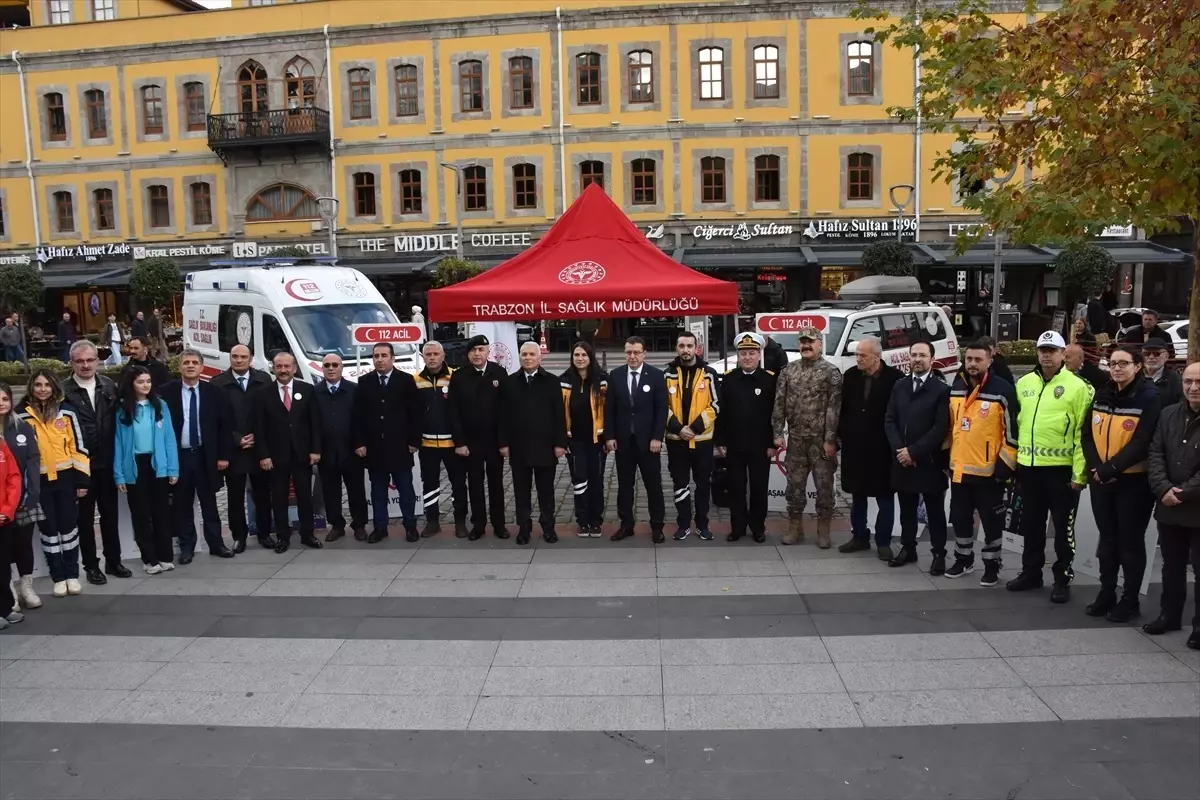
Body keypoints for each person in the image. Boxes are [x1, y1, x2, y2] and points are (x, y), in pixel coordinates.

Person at [1008, 330, 1094, 603]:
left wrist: (1079, 473)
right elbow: (1015, 425)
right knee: (1031, 526)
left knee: (1061, 530)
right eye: (1042, 350)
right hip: (1029, 468)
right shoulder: (1024, 383)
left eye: (1052, 350)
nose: (1046, 354)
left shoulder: (1078, 386)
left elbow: (1083, 433)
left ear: (1063, 355)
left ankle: (1062, 578)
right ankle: (1030, 573)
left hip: (1061, 471)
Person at [1081, 345, 1161, 622]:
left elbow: (1142, 442)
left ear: (1137, 366)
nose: (1116, 368)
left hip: (1133, 482)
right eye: (1113, 363)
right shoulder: (1103, 393)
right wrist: (1097, 468)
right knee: (1108, 539)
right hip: (1101, 479)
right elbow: (1087, 434)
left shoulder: (1149, 397)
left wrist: (1112, 468)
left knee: (1130, 541)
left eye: (1123, 363)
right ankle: (1107, 592)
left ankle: (1129, 600)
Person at [945, 341, 1019, 586]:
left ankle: (992, 564)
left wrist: (1004, 468)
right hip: (959, 471)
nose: (973, 364)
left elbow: (1012, 434)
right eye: (969, 359)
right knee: (960, 518)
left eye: (978, 359)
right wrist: (947, 459)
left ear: (989, 361)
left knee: (992, 522)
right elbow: (951, 428)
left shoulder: (1003, 390)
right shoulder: (957, 387)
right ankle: (963, 559)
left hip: (989, 474)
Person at [17, 370, 89, 598]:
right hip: (39, 483)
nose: (42, 389)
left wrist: (82, 479)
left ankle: (72, 575)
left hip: (67, 479)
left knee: (68, 527)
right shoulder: (21, 415)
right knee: (48, 530)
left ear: (54, 386)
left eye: (47, 385)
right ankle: (58, 577)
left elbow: (79, 447)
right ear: (31, 387)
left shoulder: (67, 412)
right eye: (37, 385)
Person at [61, 340, 127, 585]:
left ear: (97, 360)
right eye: (80, 361)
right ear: (72, 363)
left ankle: (114, 561)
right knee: (85, 520)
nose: (86, 365)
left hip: (108, 462)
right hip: (81, 466)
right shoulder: (62, 391)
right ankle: (91, 565)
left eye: (90, 360)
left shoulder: (109, 385)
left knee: (110, 515)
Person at [1144, 361, 1200, 649]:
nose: (1193, 387)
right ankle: (1170, 614)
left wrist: (1184, 492)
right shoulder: (1169, 414)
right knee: (1171, 565)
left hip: (1196, 505)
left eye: (1199, 382)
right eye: (1189, 381)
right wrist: (1164, 488)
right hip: (1168, 503)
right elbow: (1155, 453)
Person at [771, 325, 842, 547]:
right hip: (796, 441)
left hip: (821, 443)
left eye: (811, 341)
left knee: (823, 488)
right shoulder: (788, 371)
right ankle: (795, 528)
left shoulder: (831, 373)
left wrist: (830, 440)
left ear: (820, 344)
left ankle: (823, 532)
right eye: (803, 341)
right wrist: (777, 433)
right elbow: (779, 403)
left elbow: (834, 409)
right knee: (794, 487)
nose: (806, 345)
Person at [884, 341, 952, 572]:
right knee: (906, 509)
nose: (917, 359)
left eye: (923, 355)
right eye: (914, 355)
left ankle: (938, 553)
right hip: (903, 461)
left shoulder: (941, 389)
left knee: (935, 512)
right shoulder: (899, 386)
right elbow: (890, 420)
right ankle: (908, 548)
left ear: (932, 359)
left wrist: (914, 451)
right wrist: (901, 451)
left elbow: (941, 427)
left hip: (929, 462)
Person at [162, 349, 232, 562]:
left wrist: (223, 456)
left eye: (194, 362)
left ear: (201, 367)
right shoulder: (166, 392)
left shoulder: (214, 392)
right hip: (180, 456)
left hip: (206, 455)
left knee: (209, 501)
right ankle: (186, 547)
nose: (190, 366)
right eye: (186, 362)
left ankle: (216, 544)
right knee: (182, 504)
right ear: (179, 367)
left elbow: (224, 426)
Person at [836, 336, 903, 559]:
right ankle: (859, 536)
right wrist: (839, 436)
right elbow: (843, 409)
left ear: (877, 356)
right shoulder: (851, 376)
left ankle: (883, 541)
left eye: (863, 355)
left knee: (884, 497)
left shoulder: (895, 378)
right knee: (857, 495)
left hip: (882, 449)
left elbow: (899, 415)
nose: (858, 359)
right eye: (857, 355)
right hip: (855, 447)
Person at [255, 350, 323, 554]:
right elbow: (259, 427)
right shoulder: (263, 393)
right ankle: (282, 537)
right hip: (276, 457)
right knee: (279, 497)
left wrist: (315, 450)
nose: (283, 370)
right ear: (273, 368)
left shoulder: (307, 390)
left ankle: (307, 534)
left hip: (302, 455)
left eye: (287, 366)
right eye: (279, 366)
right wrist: (264, 455)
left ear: (294, 368)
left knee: (304, 496)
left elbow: (315, 424)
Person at [352, 342, 421, 543]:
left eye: (384, 355)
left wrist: (414, 441)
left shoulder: (406, 380)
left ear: (393, 358)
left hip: (400, 447)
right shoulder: (364, 382)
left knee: (406, 490)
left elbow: (415, 413)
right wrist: (359, 443)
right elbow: (358, 416)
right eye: (376, 356)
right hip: (374, 448)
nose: (379, 359)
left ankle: (410, 527)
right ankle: (380, 528)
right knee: (378, 492)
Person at [113, 366, 179, 574]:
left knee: (161, 512)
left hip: (157, 464)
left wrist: (172, 468)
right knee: (141, 514)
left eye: (148, 381)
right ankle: (149, 559)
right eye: (141, 381)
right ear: (131, 383)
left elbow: (169, 439)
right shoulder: (123, 409)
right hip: (134, 466)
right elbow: (118, 443)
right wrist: (119, 474)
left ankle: (165, 556)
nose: (145, 385)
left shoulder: (160, 406)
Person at [500, 342, 567, 545]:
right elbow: (502, 417)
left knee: (546, 491)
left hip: (545, 446)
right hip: (519, 447)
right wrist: (503, 443)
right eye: (524, 354)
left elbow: (559, 416)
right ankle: (524, 528)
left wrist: (560, 443)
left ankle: (548, 527)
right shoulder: (510, 382)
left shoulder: (552, 382)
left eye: (531, 354)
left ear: (540, 358)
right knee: (521, 491)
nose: (527, 358)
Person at [210, 344, 275, 552]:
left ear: (251, 358)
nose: (239, 360)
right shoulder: (218, 383)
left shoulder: (263, 380)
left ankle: (264, 533)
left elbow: (269, 413)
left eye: (243, 357)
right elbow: (217, 420)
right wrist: (237, 439)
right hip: (234, 449)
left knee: (263, 494)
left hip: (259, 447)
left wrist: (258, 437)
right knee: (235, 496)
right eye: (235, 356)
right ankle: (239, 536)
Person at [714, 333, 776, 543]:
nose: (747, 357)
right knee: (736, 488)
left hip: (760, 445)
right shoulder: (729, 379)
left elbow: (773, 415)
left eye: (751, 353)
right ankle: (737, 527)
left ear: (759, 356)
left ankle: (758, 527)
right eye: (743, 354)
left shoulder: (769, 380)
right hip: (735, 444)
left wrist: (771, 442)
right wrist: (720, 440)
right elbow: (722, 412)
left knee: (759, 488)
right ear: (738, 356)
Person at [604, 336, 667, 543]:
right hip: (624, 442)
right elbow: (609, 410)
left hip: (649, 442)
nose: (632, 356)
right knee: (624, 486)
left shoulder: (656, 376)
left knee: (653, 485)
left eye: (636, 352)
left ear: (644, 353)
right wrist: (610, 436)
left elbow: (661, 410)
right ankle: (626, 525)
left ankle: (657, 526)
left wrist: (658, 437)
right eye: (629, 352)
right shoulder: (616, 375)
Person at [448, 335, 509, 541]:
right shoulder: (459, 376)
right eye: (473, 350)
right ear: (468, 354)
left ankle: (499, 524)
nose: (477, 354)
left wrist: (504, 442)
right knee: (475, 484)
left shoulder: (499, 373)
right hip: (470, 443)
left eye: (481, 349)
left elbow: (505, 411)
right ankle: (479, 525)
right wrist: (460, 442)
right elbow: (453, 412)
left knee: (496, 484)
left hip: (494, 442)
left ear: (487, 352)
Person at [665, 331, 721, 541]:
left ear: (696, 348)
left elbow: (715, 404)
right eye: (681, 346)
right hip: (676, 441)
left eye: (689, 346)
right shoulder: (667, 374)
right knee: (680, 484)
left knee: (703, 483)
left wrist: (696, 428)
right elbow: (662, 406)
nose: (685, 350)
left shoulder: (709, 373)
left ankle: (703, 524)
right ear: (677, 348)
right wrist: (678, 428)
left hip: (702, 442)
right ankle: (683, 524)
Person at [311, 354, 369, 542]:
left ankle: (359, 525)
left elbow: (362, 419)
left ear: (341, 367)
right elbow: (312, 424)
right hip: (327, 452)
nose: (331, 368)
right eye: (327, 365)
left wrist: (360, 443)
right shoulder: (315, 392)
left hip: (351, 450)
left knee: (356, 491)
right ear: (322, 368)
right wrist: (316, 449)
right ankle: (337, 525)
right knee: (330, 492)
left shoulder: (354, 390)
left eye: (335, 365)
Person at [414, 341, 467, 538]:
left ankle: (460, 522)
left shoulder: (456, 377)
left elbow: (462, 410)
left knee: (459, 484)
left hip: (453, 444)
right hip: (427, 444)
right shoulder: (416, 380)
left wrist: (462, 441)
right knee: (429, 484)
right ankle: (432, 521)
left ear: (443, 355)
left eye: (436, 353)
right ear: (423, 356)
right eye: (428, 354)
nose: (432, 357)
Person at [0, 382, 42, 613]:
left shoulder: (22, 427)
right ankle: (8, 591)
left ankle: (26, 587)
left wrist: (32, 492)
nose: (1, 404)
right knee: (4, 550)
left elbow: (33, 461)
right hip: (1, 504)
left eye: (5, 399)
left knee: (24, 545)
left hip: (24, 498)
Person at [560, 341, 608, 537]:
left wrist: (608, 438)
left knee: (596, 480)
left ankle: (596, 520)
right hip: (574, 441)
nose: (580, 359)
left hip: (597, 441)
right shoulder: (564, 380)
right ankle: (583, 520)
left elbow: (610, 410)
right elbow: (558, 413)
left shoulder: (603, 380)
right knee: (579, 481)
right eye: (576, 355)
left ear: (591, 357)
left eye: (584, 355)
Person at [0, 434, 24, 629]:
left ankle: (5, 608)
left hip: (3, 518)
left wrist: (7, 510)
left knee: (3, 566)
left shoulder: (1, 444)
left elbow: (13, 477)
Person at [1141, 339, 1183, 408]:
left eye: (1157, 354)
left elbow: (1179, 404)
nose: (1151, 357)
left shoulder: (1174, 378)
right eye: (1147, 354)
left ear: (1166, 356)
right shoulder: (1135, 376)